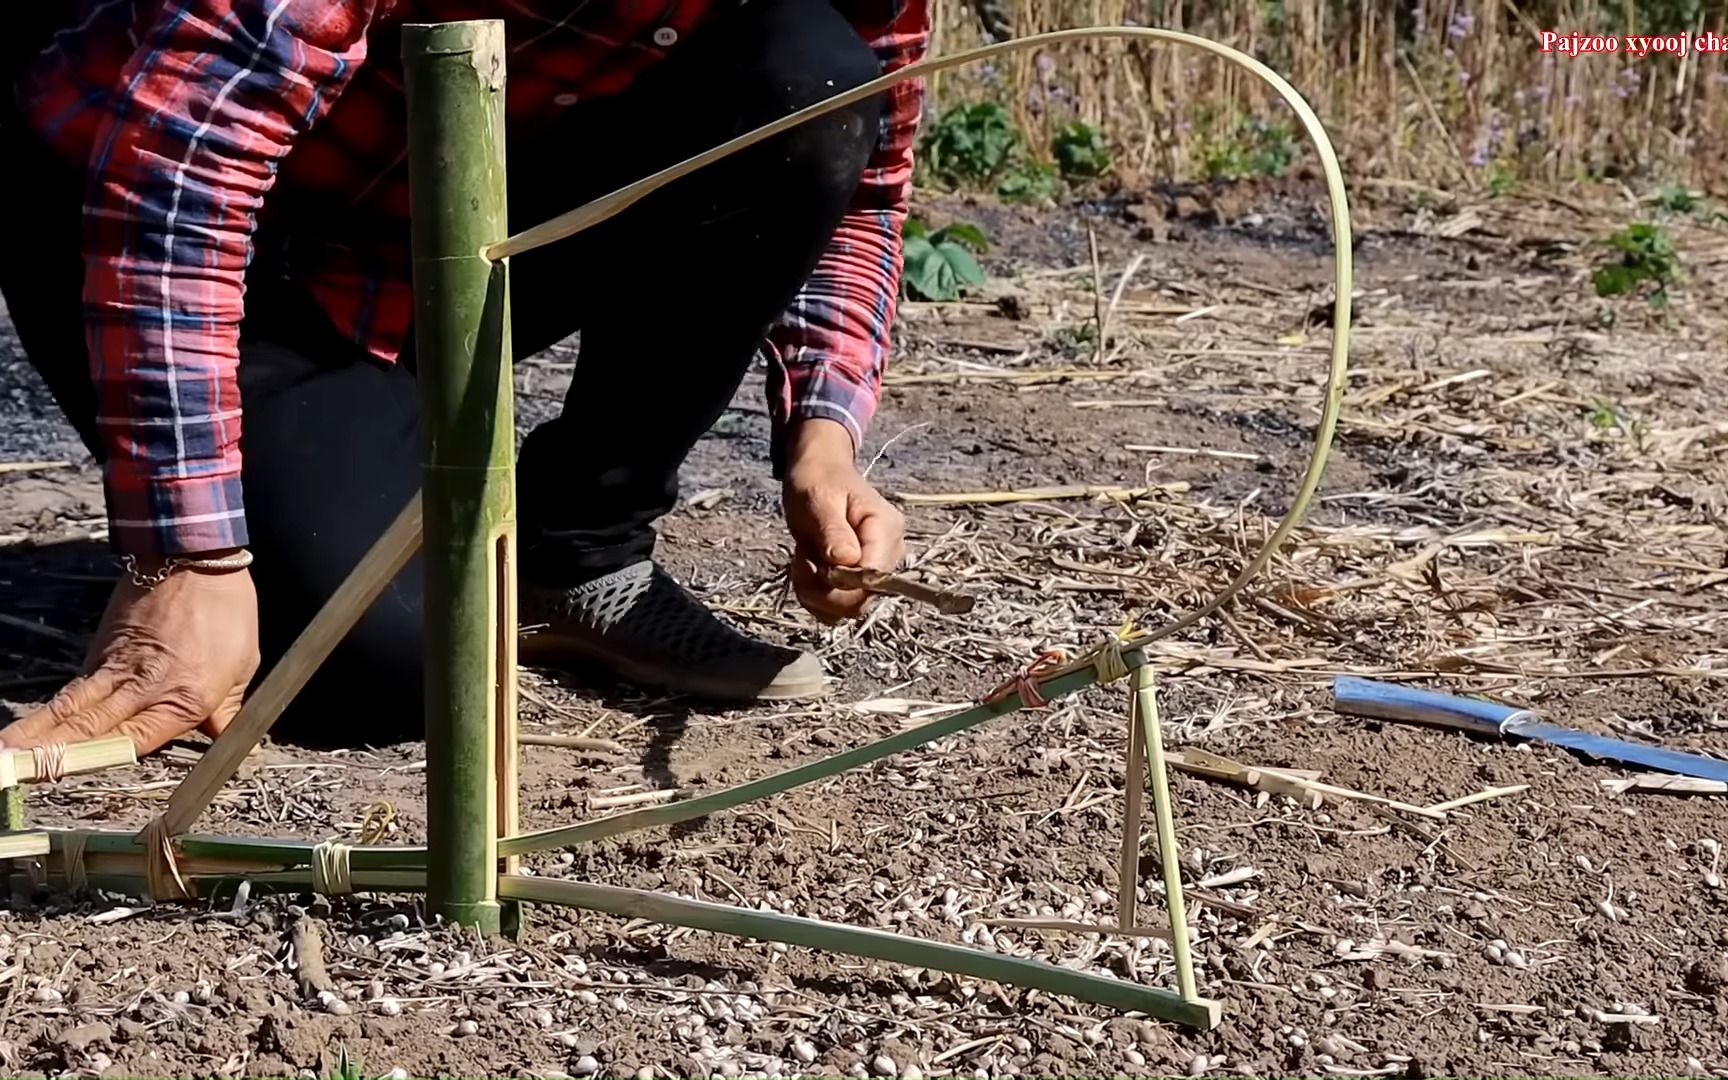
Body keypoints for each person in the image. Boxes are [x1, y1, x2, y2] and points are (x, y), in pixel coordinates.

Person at [0, 0, 927, 754]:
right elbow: (179, 169)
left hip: (436, 230)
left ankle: (579, 547)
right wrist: (187, 553)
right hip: (142, 203)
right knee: (380, 672)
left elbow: (865, 190)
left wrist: (825, 434)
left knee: (814, 74)